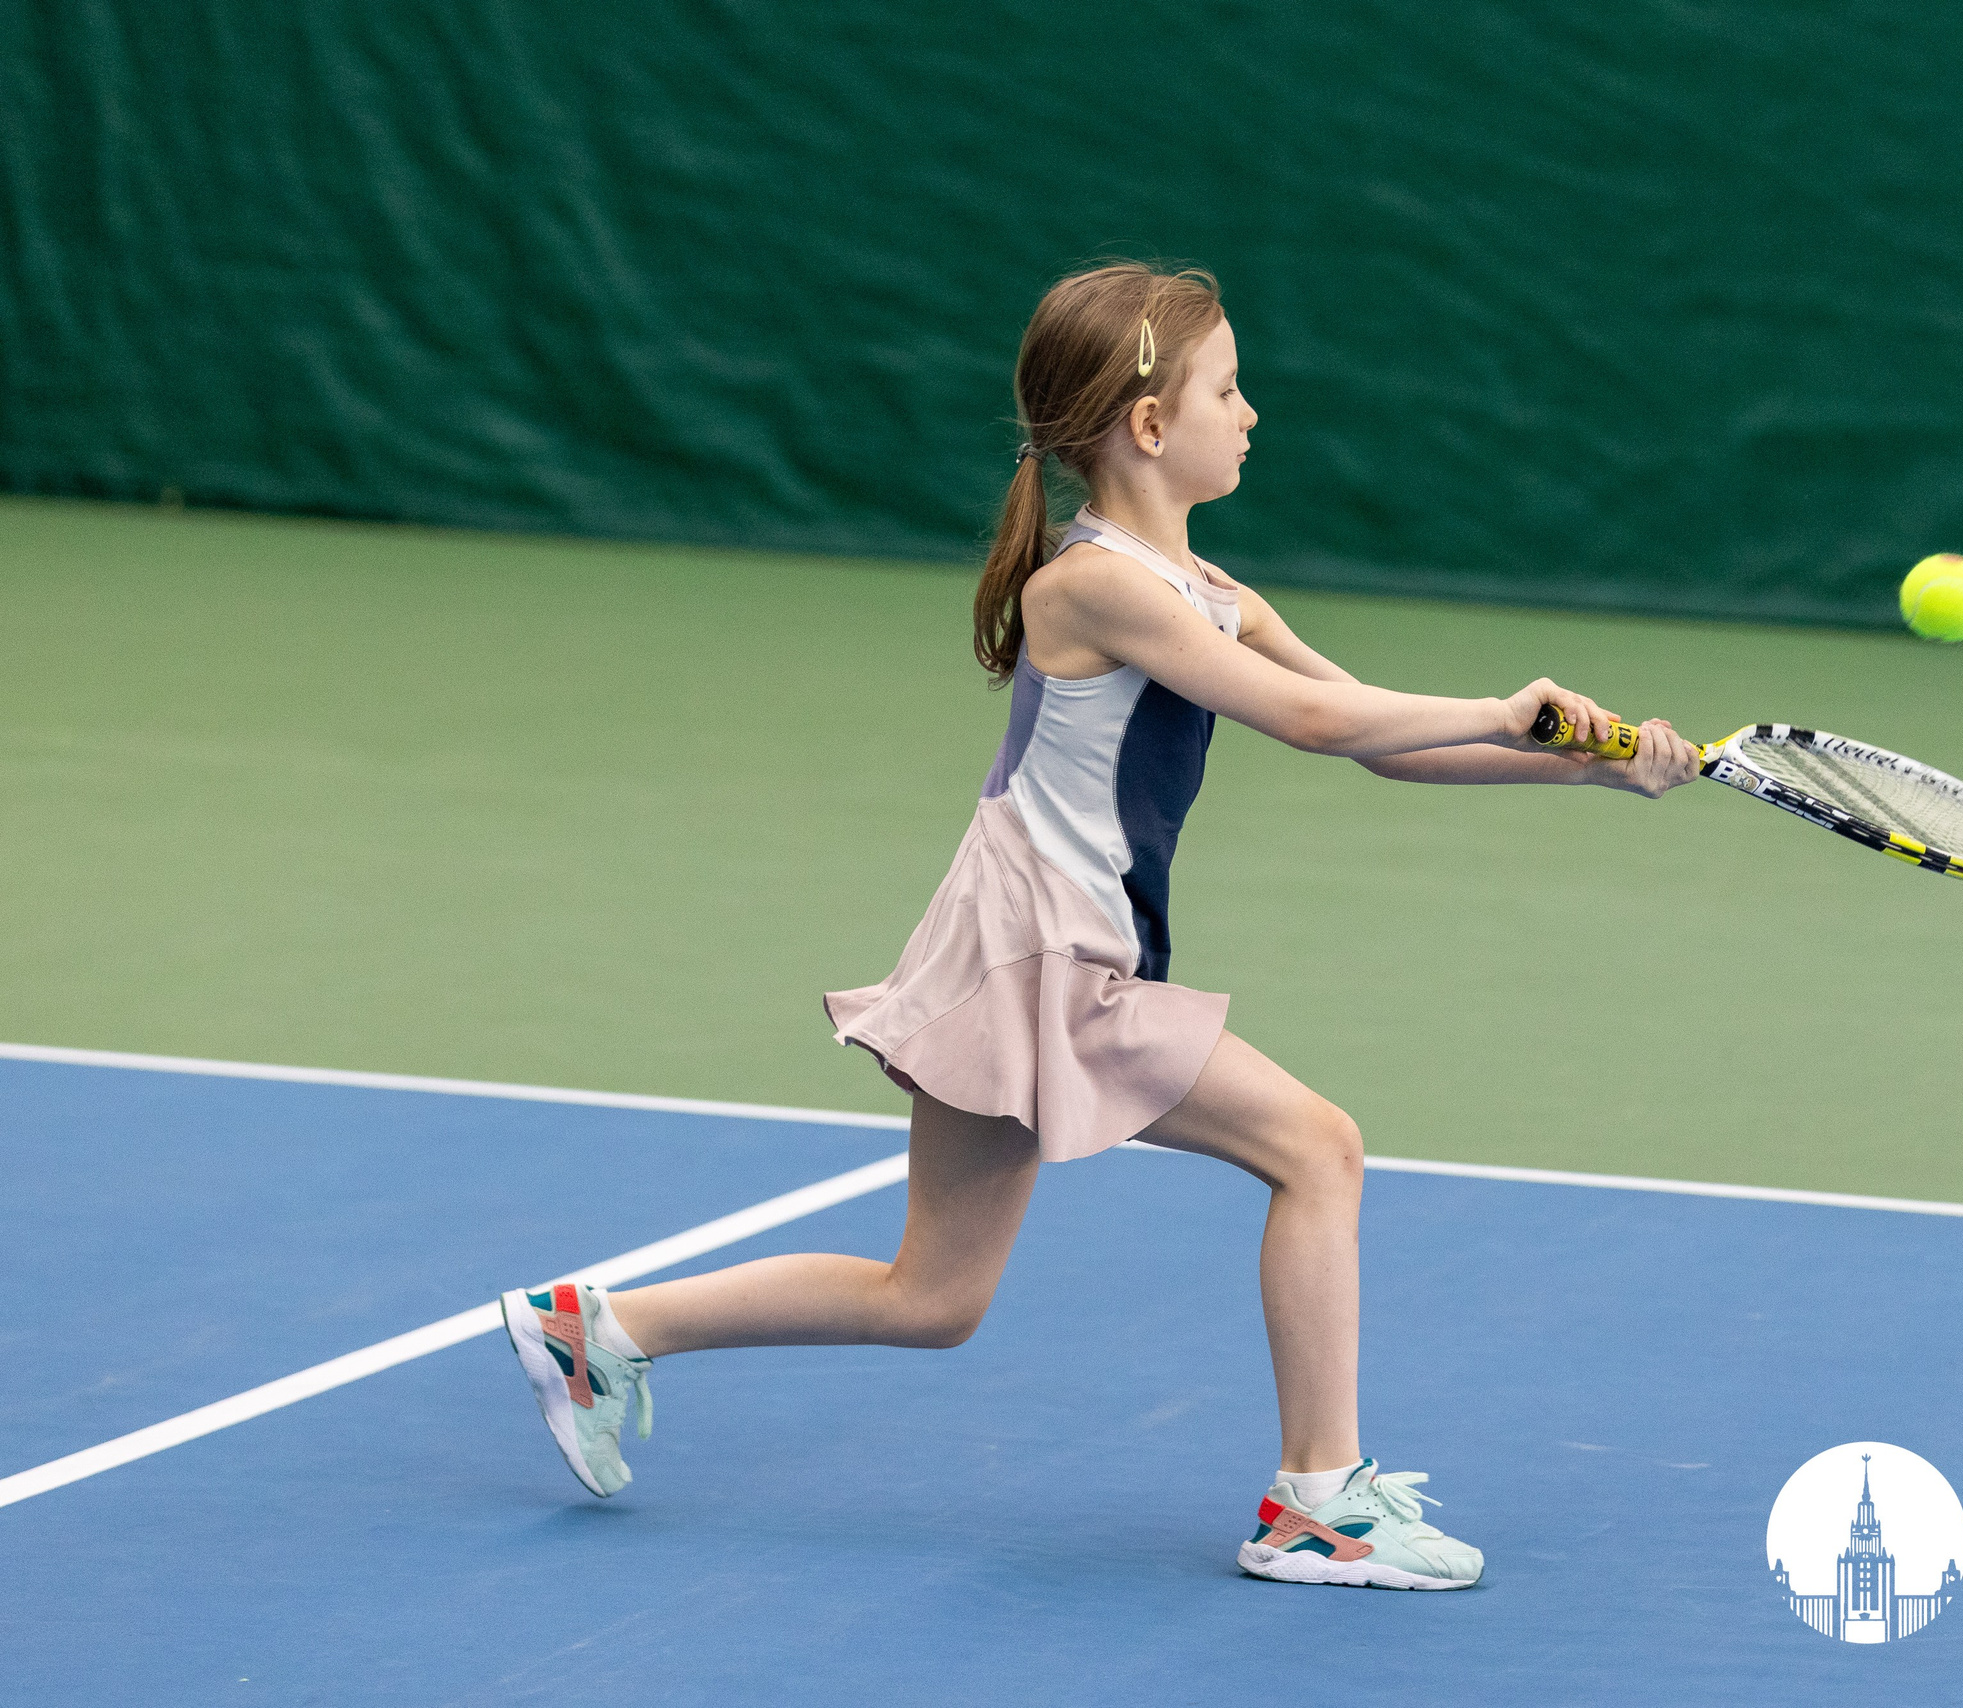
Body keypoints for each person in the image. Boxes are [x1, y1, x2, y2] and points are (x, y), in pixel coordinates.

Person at [500, 261, 1702, 1590]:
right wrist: (1497, 705)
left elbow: (1376, 743)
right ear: (1145, 424)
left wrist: (1594, 768)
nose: (1251, 414)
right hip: (1042, 963)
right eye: (1228, 389)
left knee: (934, 1299)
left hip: (1015, 957)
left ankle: (597, 1329)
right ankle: (1320, 1506)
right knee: (1320, 1152)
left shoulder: (1216, 592)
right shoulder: (1092, 589)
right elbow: (1310, 720)